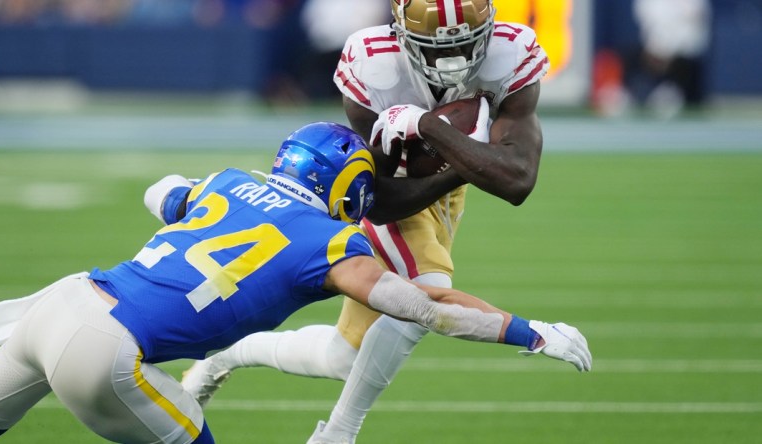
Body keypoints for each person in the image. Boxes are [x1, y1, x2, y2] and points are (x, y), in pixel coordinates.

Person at [0, 122, 590, 443]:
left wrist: (197, 205)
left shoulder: (222, 184)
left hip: (60, 303)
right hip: (104, 349)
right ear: (347, 186)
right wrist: (524, 331)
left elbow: (159, 190)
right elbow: (422, 306)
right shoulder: (326, 243)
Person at [182, 1, 558, 442]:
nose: (452, 63)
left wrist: (433, 131)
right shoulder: (373, 62)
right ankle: (338, 433)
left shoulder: (511, 52)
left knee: (342, 357)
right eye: (435, 50)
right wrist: (471, 158)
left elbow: (517, 182)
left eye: (466, 45)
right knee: (425, 290)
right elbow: (379, 201)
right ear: (400, 33)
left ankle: (227, 355)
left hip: (447, 192)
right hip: (386, 188)